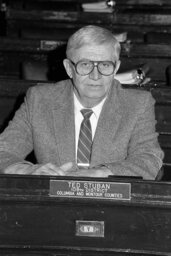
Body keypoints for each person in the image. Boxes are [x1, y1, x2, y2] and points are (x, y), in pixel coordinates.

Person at [0, 25, 164, 179]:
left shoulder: (137, 104)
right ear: (69, 68)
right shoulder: (40, 100)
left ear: (115, 68)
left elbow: (149, 158)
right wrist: (28, 170)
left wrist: (102, 173)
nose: (95, 75)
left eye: (105, 65)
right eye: (85, 65)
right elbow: (4, 151)